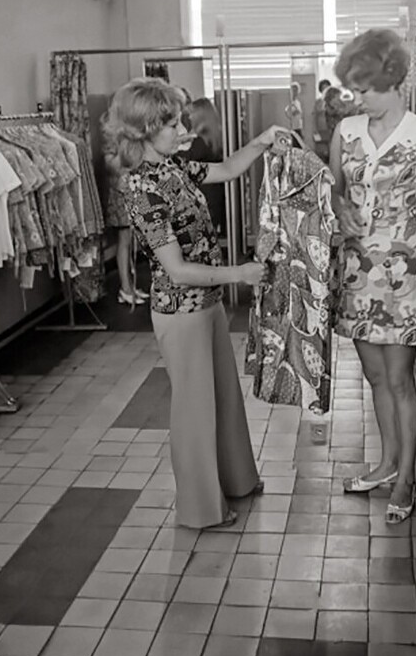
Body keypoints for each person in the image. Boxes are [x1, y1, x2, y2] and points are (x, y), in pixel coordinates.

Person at [104, 77, 286, 529]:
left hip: (207, 304)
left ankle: (238, 481)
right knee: (193, 410)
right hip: (180, 312)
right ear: (145, 130)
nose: (180, 129)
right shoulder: (141, 189)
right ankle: (201, 508)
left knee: (224, 398)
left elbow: (224, 170)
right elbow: (177, 270)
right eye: (171, 122)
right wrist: (239, 275)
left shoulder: (173, 169)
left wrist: (262, 142)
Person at [330, 29, 416, 524]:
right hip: (357, 271)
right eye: (353, 89)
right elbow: (334, 192)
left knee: (401, 381)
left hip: (402, 274)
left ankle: (406, 476)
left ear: (392, 80)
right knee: (374, 376)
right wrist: (341, 212)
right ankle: (385, 464)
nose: (356, 98)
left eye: (364, 88)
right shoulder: (347, 131)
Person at [102, 119, 148, 306]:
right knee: (124, 242)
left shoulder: (126, 140)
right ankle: (125, 288)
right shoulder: (112, 144)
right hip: (121, 196)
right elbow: (114, 168)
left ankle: (130, 284)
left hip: (129, 193)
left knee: (129, 243)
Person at [184, 98, 226, 237]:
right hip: (215, 191)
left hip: (204, 192)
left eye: (192, 113)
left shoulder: (201, 141)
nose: (189, 117)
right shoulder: (216, 136)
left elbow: (185, 158)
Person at [313, 78, 332, 160]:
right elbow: (316, 115)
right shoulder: (318, 101)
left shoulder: (333, 100)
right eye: (323, 88)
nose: (325, 90)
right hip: (321, 126)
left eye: (327, 87)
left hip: (332, 126)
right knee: (322, 146)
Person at [285, 81, 304, 147]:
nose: (295, 92)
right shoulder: (288, 102)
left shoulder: (297, 102)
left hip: (298, 127)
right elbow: (289, 113)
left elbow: (299, 115)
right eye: (293, 90)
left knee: (299, 146)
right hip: (291, 128)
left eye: (296, 90)